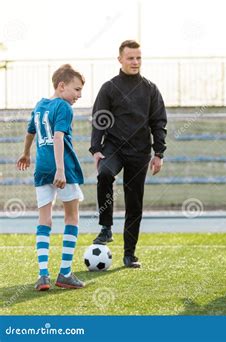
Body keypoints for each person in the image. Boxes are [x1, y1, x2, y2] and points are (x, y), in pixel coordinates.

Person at [89, 40, 167, 268]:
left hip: (140, 152)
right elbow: (99, 118)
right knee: (104, 175)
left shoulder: (150, 89)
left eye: (138, 58)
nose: (135, 62)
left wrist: (158, 152)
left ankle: (129, 254)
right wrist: (96, 149)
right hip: (113, 148)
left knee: (134, 203)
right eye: (130, 58)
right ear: (120, 60)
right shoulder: (109, 87)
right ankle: (106, 227)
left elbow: (158, 122)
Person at [17, 64, 86, 290]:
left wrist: (26, 153)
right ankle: (64, 273)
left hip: (41, 168)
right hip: (62, 167)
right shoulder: (64, 107)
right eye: (76, 90)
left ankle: (43, 275)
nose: (79, 95)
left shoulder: (40, 105)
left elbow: (30, 132)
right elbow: (58, 137)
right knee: (71, 218)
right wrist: (61, 169)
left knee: (44, 221)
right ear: (61, 85)